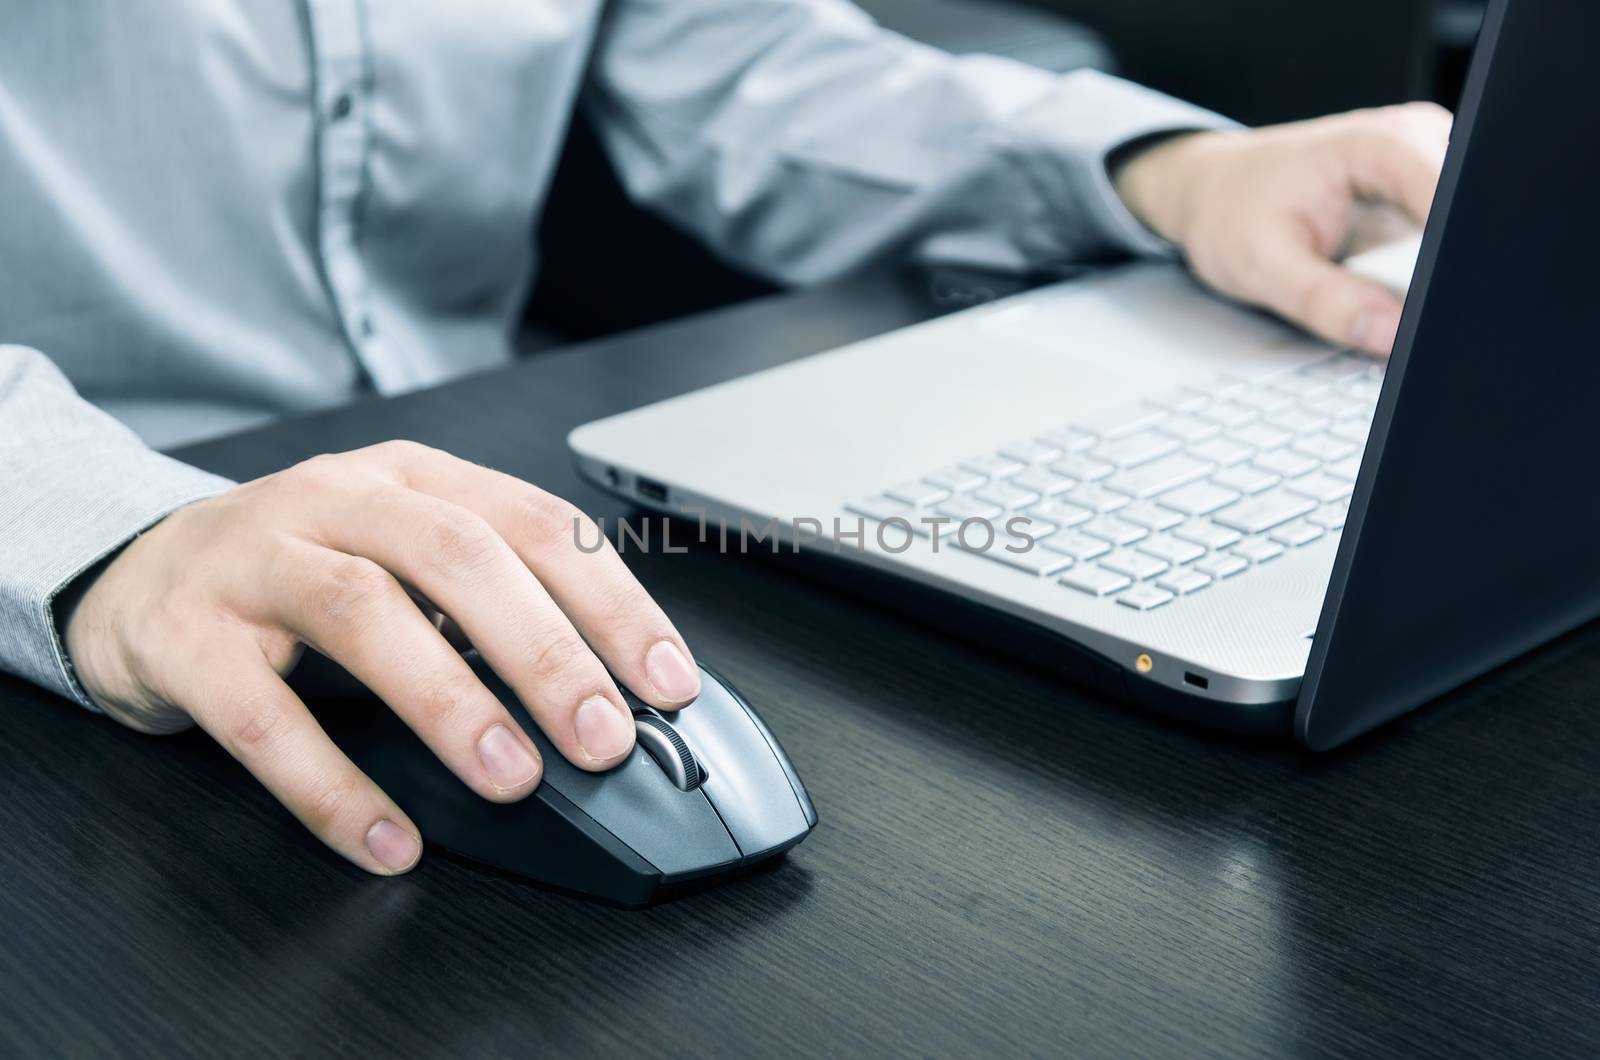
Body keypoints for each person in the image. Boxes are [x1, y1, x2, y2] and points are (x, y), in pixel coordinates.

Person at [0, 1, 1449, 875]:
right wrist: (111, 535)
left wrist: (1163, 169)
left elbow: (744, 65)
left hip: (490, 510)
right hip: (82, 567)